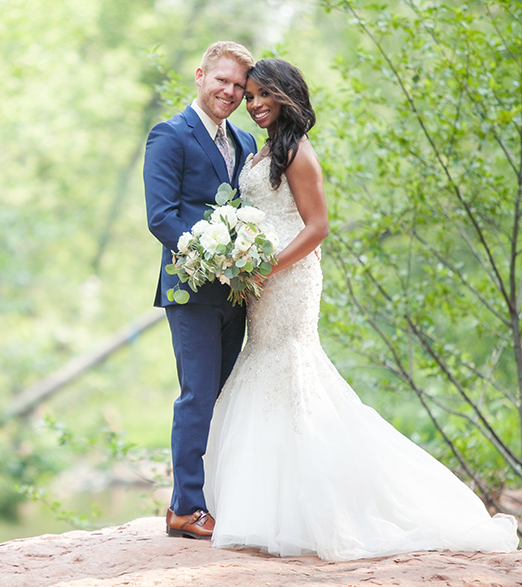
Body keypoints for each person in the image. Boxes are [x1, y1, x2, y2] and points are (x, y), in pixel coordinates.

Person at [202, 58, 519, 560]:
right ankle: (261, 506)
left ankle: (321, 510)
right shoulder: (264, 150)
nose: (255, 104)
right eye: (252, 95)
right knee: (262, 366)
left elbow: (318, 226)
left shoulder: (299, 152)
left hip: (291, 277)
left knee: (291, 369)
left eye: (265, 95)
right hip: (262, 278)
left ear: (287, 96)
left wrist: (267, 268)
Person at [143, 41, 258, 540]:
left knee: (228, 394)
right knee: (197, 396)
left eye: (239, 86)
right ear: (200, 76)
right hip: (191, 291)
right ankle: (186, 507)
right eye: (222, 81)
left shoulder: (248, 143)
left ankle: (216, 498)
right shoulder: (170, 135)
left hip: (239, 294)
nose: (230, 93)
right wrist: (212, 258)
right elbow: (161, 217)